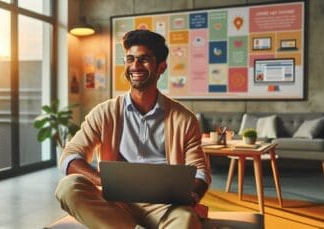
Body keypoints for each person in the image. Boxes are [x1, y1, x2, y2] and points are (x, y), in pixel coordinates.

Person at [55, 29, 211, 229]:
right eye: (130, 59)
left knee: (186, 221)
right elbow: (69, 156)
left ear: (161, 67)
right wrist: (102, 179)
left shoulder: (184, 119)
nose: (135, 66)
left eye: (144, 59)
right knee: (68, 187)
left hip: (166, 206)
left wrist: (193, 194)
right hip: (116, 203)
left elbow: (200, 172)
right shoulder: (105, 112)